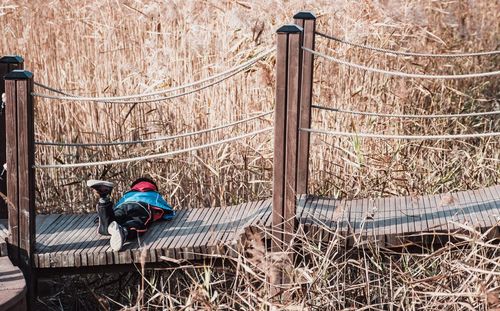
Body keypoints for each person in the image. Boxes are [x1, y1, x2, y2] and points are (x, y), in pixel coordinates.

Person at [87, 177, 175, 251]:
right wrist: (168, 214)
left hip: (123, 205)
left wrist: (102, 216)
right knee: (137, 222)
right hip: (141, 206)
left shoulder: (128, 194)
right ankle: (124, 231)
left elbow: (115, 208)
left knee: (110, 222)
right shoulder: (154, 194)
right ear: (153, 187)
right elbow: (166, 208)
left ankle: (104, 197)